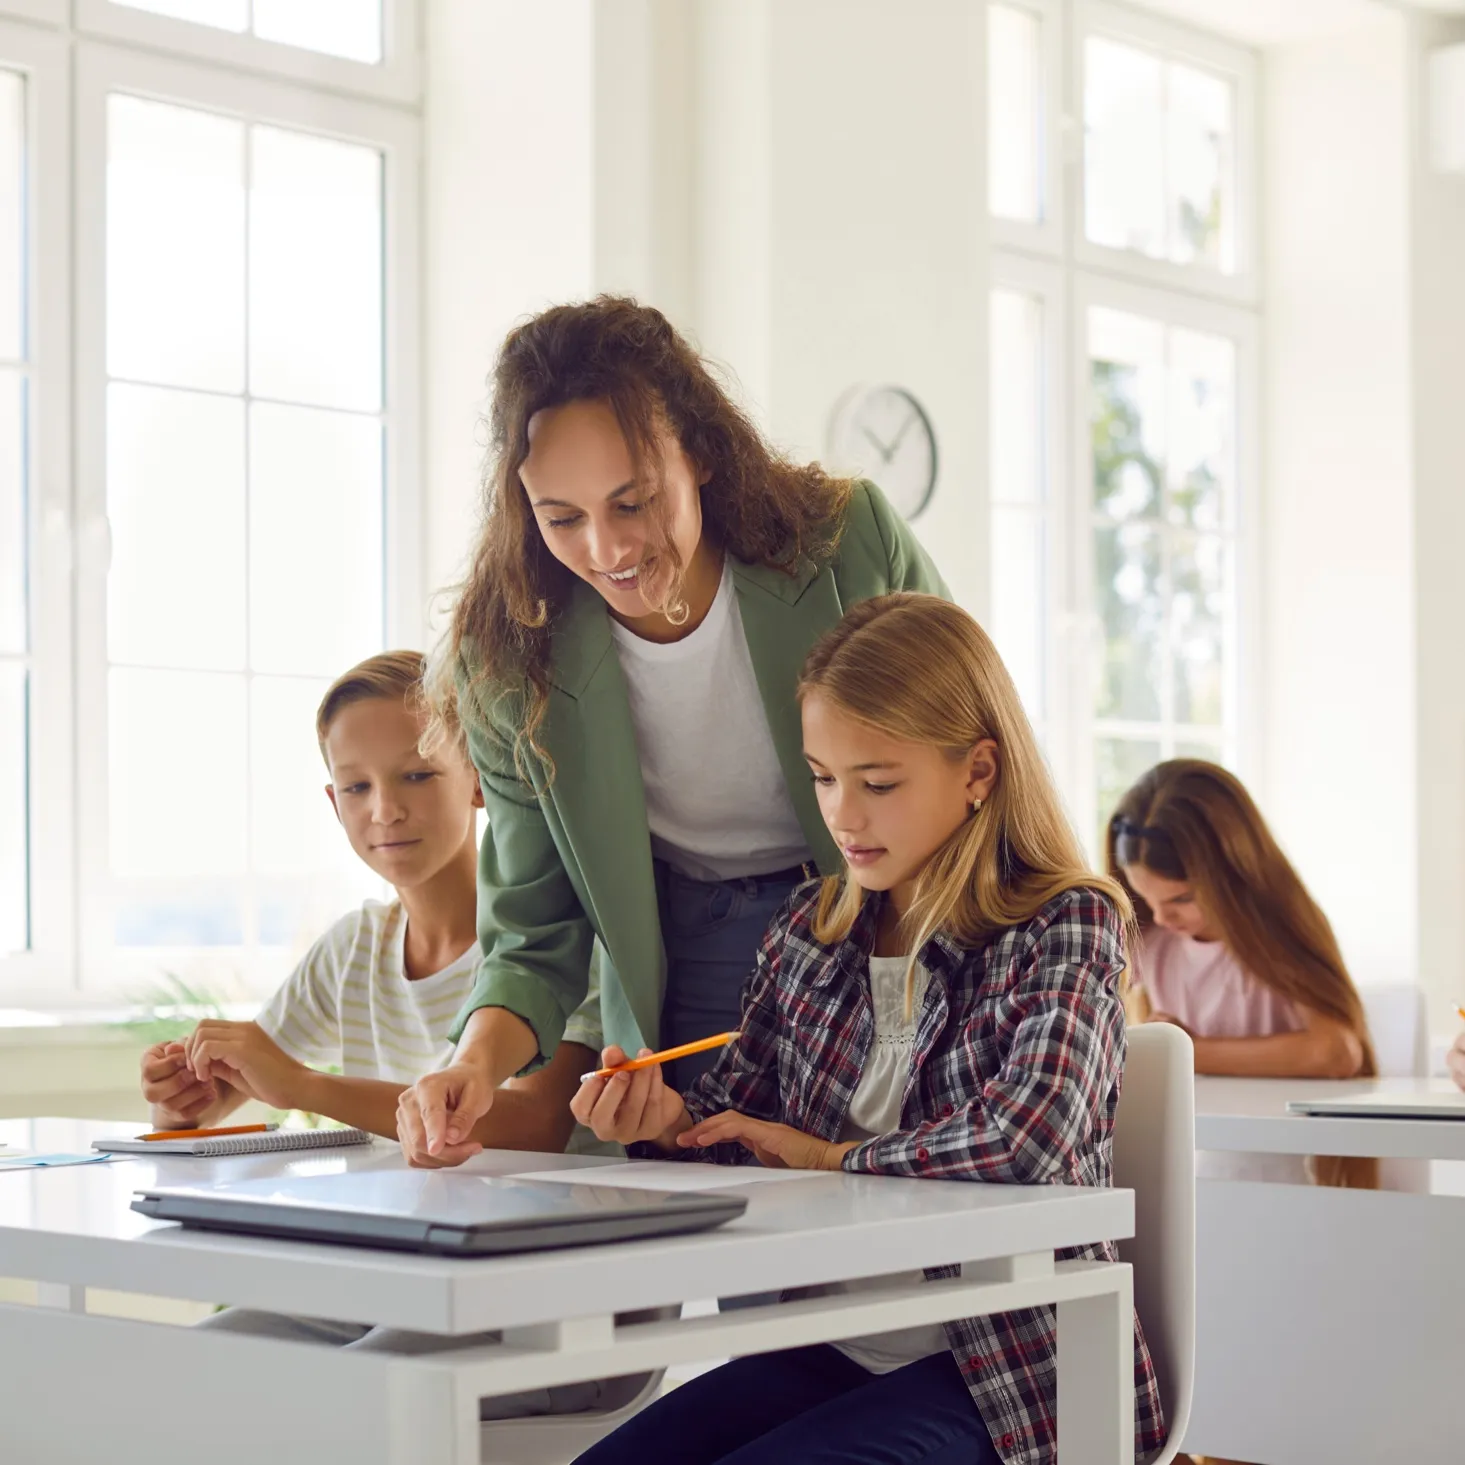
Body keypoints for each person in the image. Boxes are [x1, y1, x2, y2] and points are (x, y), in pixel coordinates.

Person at [566, 594, 1165, 1465]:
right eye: (822, 776)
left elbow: (1028, 1140)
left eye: (878, 782)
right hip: (838, 1341)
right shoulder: (810, 930)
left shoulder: (1064, 922)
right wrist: (660, 1124)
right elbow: (737, 1134)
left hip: (1009, 1367)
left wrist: (829, 1156)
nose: (843, 814)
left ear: (977, 771)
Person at [395, 296, 948, 1166]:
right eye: (561, 516)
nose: (608, 548)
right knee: (729, 1249)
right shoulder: (508, 662)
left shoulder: (846, 546)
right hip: (685, 948)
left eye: (634, 501)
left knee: (884, 1215)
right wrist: (472, 1065)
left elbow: (967, 745)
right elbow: (534, 935)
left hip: (886, 916)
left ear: (697, 450)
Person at [137, 651, 623, 1416]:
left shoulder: (555, 946)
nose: (384, 809)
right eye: (357, 786)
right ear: (333, 803)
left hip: (556, 1304)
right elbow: (226, 1094)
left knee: (342, 1398)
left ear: (481, 779)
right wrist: (182, 1105)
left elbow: (533, 1124)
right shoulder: (355, 945)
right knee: (192, 1372)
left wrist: (301, 1086)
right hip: (398, 1284)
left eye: (416, 775)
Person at [1107, 759, 1375, 1188]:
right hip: (1191, 1160)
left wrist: (1187, 1049)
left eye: (1182, 898)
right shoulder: (1151, 935)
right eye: (1145, 897)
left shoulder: (1278, 932)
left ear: (1234, 872)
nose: (1161, 916)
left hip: (1280, 1166)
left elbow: (1337, 1052)